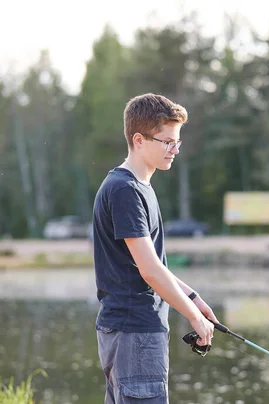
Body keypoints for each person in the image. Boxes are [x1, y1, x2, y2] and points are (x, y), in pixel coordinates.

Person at [92, 93, 217, 404]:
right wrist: (194, 318)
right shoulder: (125, 190)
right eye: (167, 142)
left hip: (129, 331)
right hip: (135, 332)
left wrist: (193, 297)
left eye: (177, 142)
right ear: (139, 139)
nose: (174, 150)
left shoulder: (139, 186)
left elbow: (153, 265)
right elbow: (149, 271)